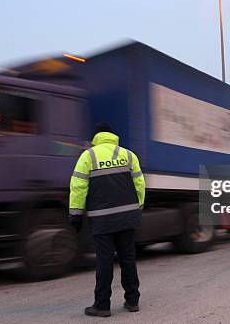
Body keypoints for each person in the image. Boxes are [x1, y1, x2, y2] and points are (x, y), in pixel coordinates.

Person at [68, 123, 146, 317]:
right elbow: (140, 184)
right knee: (128, 259)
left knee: (104, 261)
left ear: (96, 137)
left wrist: (75, 214)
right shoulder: (129, 155)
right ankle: (132, 301)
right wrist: (139, 207)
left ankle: (102, 305)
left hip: (102, 220)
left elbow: (78, 187)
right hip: (127, 218)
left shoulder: (88, 156)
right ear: (113, 136)